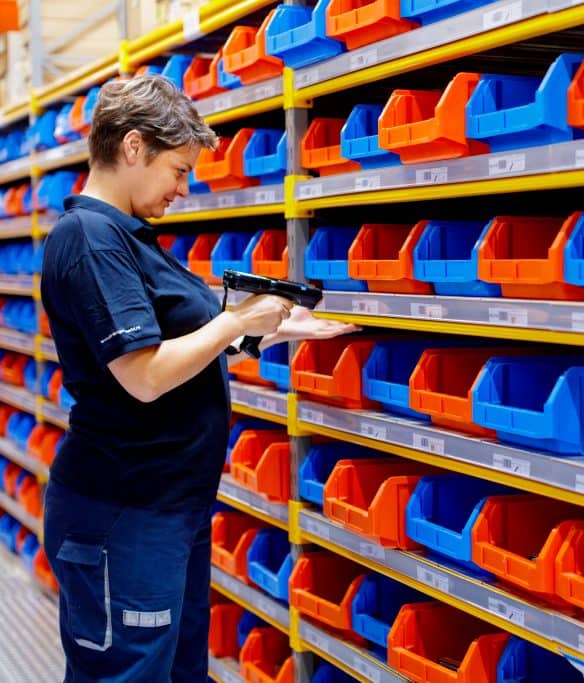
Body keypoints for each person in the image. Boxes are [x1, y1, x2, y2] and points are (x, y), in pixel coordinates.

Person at [39, 74, 357, 682]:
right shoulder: (92, 240)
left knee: (176, 670)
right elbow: (145, 376)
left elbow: (177, 349)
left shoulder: (128, 237)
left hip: (165, 508)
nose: (183, 189)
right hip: (122, 513)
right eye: (178, 170)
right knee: (126, 674)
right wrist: (237, 318)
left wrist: (274, 330)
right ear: (133, 147)